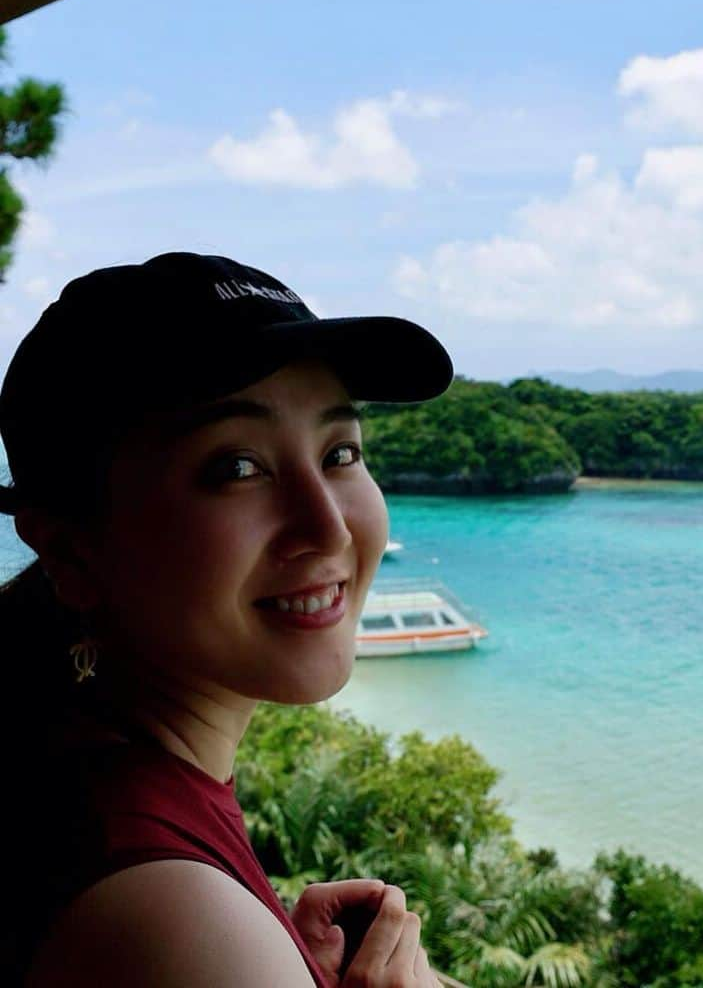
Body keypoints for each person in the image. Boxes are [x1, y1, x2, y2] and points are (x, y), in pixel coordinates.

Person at [0, 252, 454, 987]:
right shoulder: (168, 911)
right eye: (237, 468)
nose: (329, 527)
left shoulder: (86, 778)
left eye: (340, 451)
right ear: (71, 550)